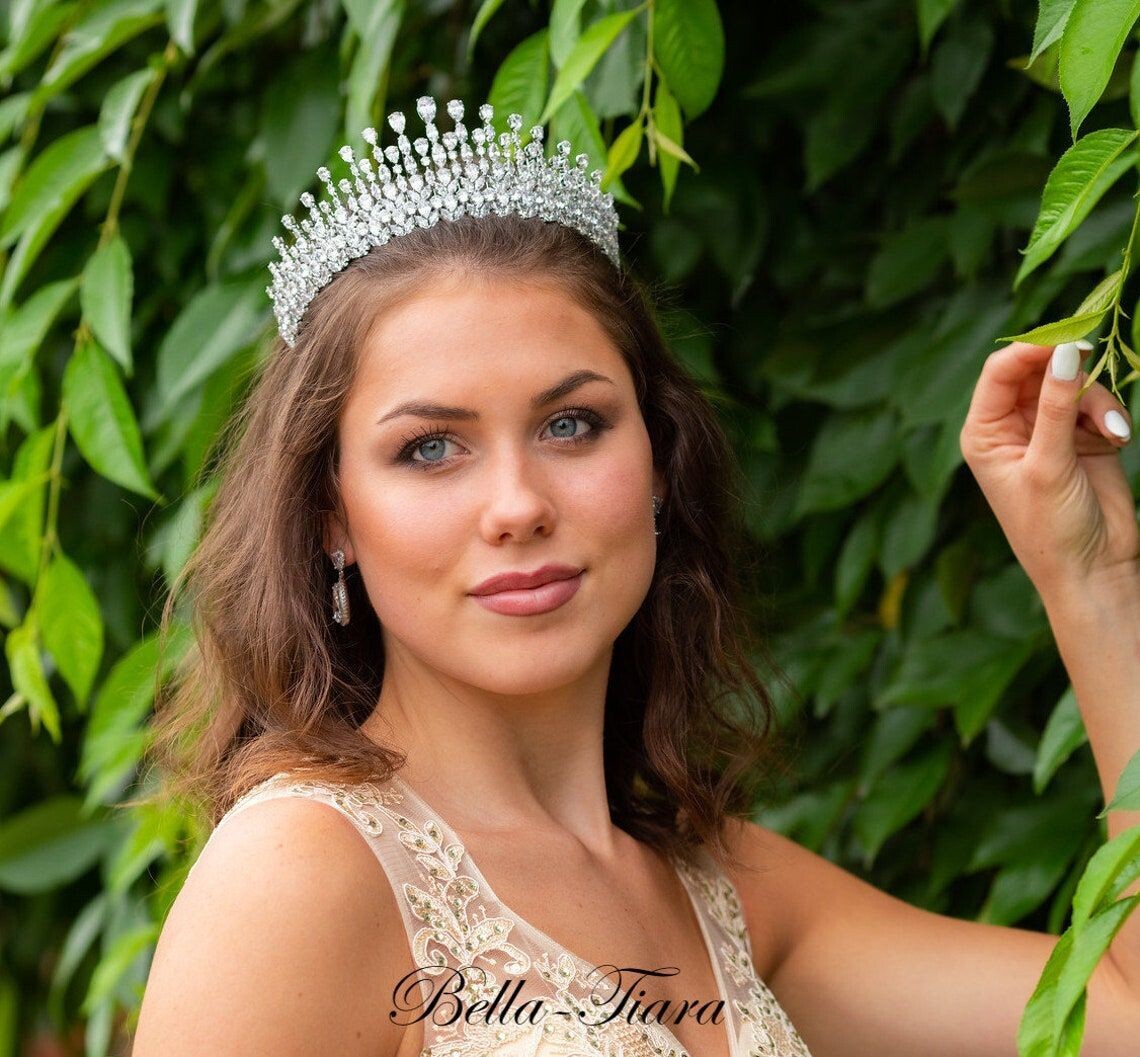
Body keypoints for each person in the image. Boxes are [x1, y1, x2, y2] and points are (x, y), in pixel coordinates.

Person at [128, 97, 1140, 1056]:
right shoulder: (303, 874)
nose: (518, 503)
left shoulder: (722, 889)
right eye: (432, 447)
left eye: (572, 425)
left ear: (658, 461)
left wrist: (1093, 585)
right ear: (332, 515)